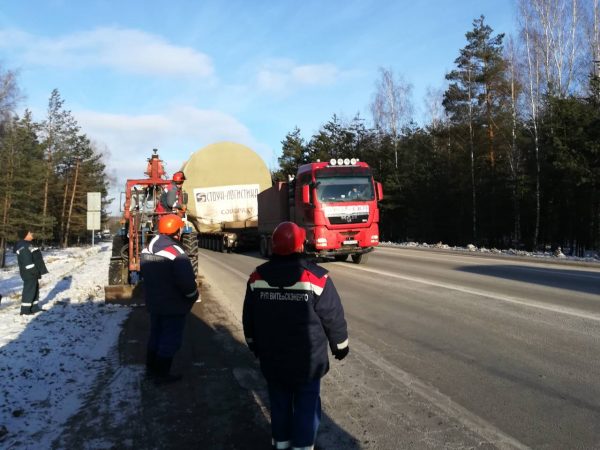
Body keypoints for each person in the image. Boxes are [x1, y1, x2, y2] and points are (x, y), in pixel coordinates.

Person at [242, 221, 349, 450]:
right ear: (301, 245)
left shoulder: (256, 277)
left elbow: (248, 317)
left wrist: (252, 344)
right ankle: (302, 446)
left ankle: (281, 445)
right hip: (307, 361)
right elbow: (333, 316)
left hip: (272, 358)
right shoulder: (316, 278)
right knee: (307, 405)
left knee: (279, 404)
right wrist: (340, 346)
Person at [140, 214, 200, 385]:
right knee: (170, 339)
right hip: (173, 306)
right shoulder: (176, 252)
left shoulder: (147, 248)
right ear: (177, 231)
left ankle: (150, 370)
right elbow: (187, 283)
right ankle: (161, 375)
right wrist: (193, 296)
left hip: (154, 303)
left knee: (155, 335)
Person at [13, 229, 48, 315]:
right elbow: (27, 262)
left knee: (34, 290)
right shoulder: (23, 246)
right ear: (25, 235)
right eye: (30, 233)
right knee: (29, 290)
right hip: (29, 272)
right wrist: (34, 271)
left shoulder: (28, 244)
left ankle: (34, 307)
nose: (32, 234)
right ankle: (25, 310)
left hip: (33, 271)